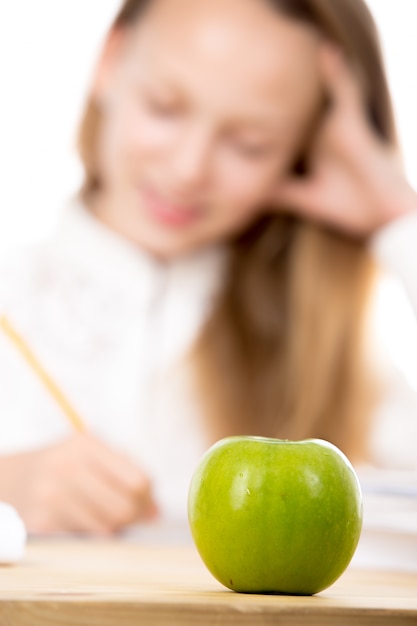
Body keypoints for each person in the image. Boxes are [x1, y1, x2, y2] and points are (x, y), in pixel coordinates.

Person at [0, 0, 416, 537]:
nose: (188, 169)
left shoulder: (331, 358)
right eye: (164, 107)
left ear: (304, 151)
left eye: (250, 145)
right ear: (110, 60)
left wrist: (399, 218)